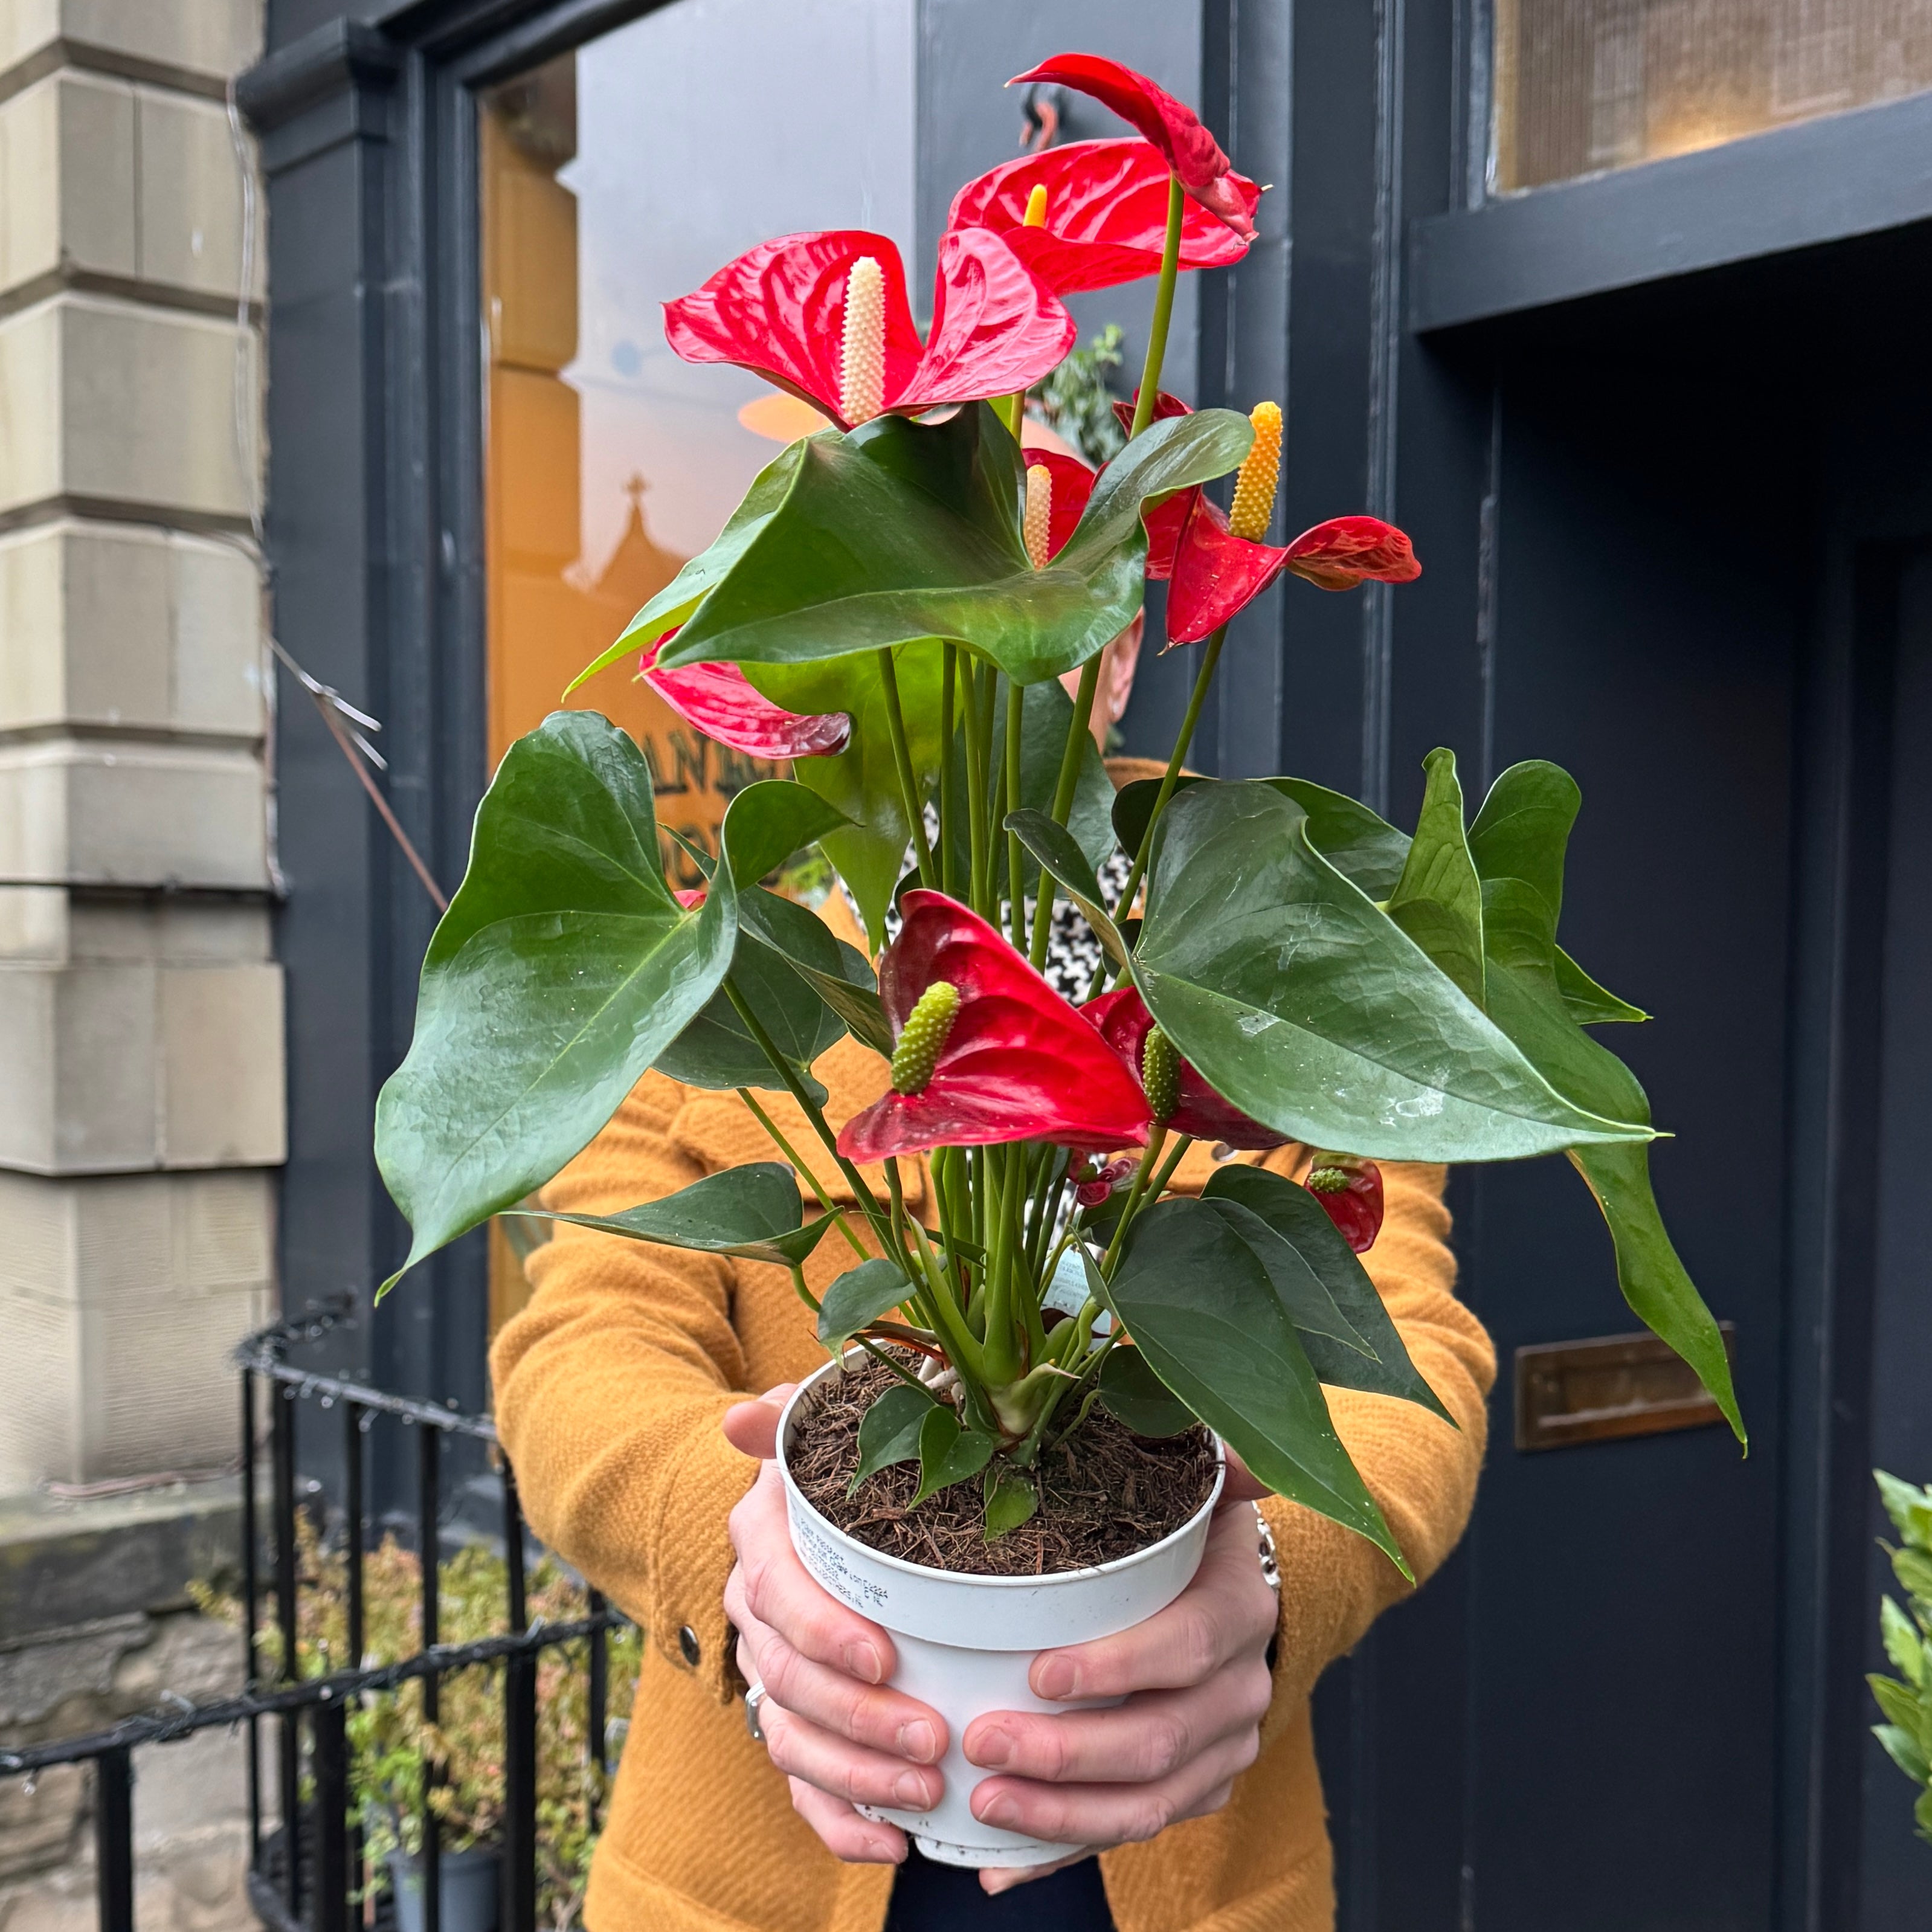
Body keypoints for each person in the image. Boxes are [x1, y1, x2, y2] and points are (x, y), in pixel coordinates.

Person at [491, 426, 1497, 1932]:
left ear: (1113, 645)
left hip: (1187, 1848)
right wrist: (749, 1563)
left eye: (1041, 592)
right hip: (775, 1831)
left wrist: (1276, 1584)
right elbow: (582, 1344)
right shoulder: (728, 970)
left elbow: (1405, 1347)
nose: (985, 641)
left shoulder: (1269, 947)